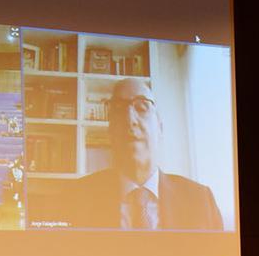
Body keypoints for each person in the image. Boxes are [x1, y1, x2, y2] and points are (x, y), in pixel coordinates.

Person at [66, 78, 223, 230]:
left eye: (142, 108)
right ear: (110, 131)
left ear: (160, 127)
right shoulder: (75, 199)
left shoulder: (201, 201)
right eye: (119, 109)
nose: (130, 119)